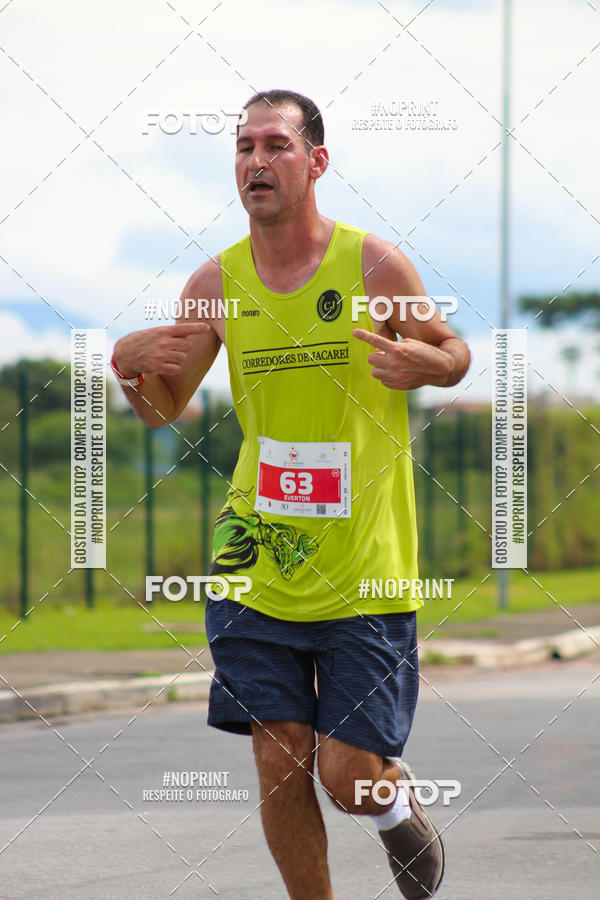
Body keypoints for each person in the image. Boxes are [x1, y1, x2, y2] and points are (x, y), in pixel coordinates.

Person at [112, 88, 470, 899]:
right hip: (256, 558)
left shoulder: (373, 266)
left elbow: (449, 347)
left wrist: (434, 366)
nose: (254, 162)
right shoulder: (215, 282)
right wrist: (127, 368)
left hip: (364, 565)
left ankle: (389, 806)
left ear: (316, 161)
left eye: (275, 145)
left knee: (346, 776)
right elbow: (165, 411)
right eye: (242, 147)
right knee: (279, 760)